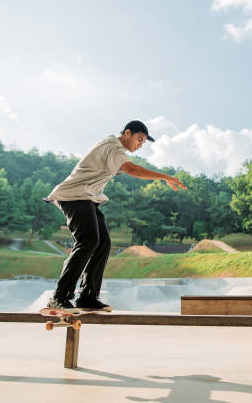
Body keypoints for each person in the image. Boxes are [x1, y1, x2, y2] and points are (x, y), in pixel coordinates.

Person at [44, 120, 187, 311]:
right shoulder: (113, 146)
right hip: (73, 195)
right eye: (139, 139)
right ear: (127, 133)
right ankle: (59, 297)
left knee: (103, 244)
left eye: (143, 143)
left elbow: (126, 168)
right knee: (87, 241)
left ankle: (87, 297)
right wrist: (166, 177)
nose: (140, 145)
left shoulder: (113, 150)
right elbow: (133, 170)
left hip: (87, 198)